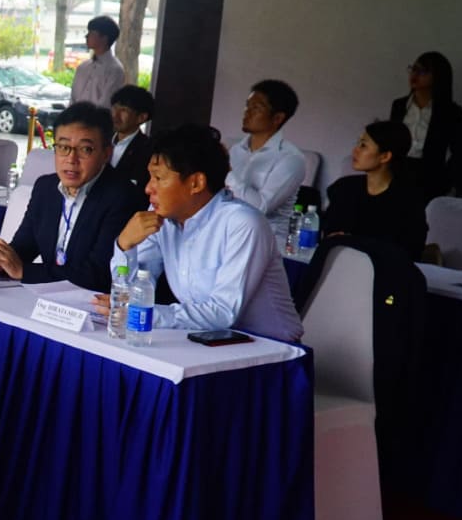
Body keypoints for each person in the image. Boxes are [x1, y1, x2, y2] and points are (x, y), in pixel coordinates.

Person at [97, 124, 303, 342]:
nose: (148, 188)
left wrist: (145, 315)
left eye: (158, 178)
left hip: (270, 347)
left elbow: (223, 312)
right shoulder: (161, 218)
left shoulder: (242, 223)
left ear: (196, 183)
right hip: (207, 340)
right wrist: (125, 245)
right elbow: (133, 293)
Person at [0, 102, 147, 292]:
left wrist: (23, 271)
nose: (71, 159)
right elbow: (24, 247)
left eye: (85, 149)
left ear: (106, 153)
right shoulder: (46, 188)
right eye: (63, 147)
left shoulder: (122, 196)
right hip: (49, 300)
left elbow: (98, 274)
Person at [323, 120, 427, 262]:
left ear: (385, 156)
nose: (355, 150)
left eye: (363, 145)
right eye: (358, 144)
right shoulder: (343, 188)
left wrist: (354, 242)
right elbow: (328, 232)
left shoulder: (407, 200)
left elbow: (410, 250)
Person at [226, 78, 307, 238]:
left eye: (256, 108)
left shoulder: (291, 159)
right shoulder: (235, 149)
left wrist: (225, 171)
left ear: (277, 118)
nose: (247, 112)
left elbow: (261, 207)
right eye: (247, 106)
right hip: (230, 231)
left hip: (266, 239)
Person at [388, 51, 462, 201]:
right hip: (398, 171)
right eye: (414, 69)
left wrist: (447, 179)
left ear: (438, 77)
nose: (415, 74)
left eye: (423, 71)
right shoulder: (399, 105)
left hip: (429, 177)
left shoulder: (450, 111)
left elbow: (458, 150)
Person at [70, 15, 125, 109]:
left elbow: (106, 104)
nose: (86, 36)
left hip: (98, 118)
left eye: (91, 33)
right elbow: (73, 99)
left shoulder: (115, 70)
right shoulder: (83, 67)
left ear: (104, 38)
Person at [109, 84, 155, 190]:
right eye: (114, 108)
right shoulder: (101, 140)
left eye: (123, 110)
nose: (115, 115)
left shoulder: (148, 150)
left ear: (141, 117)